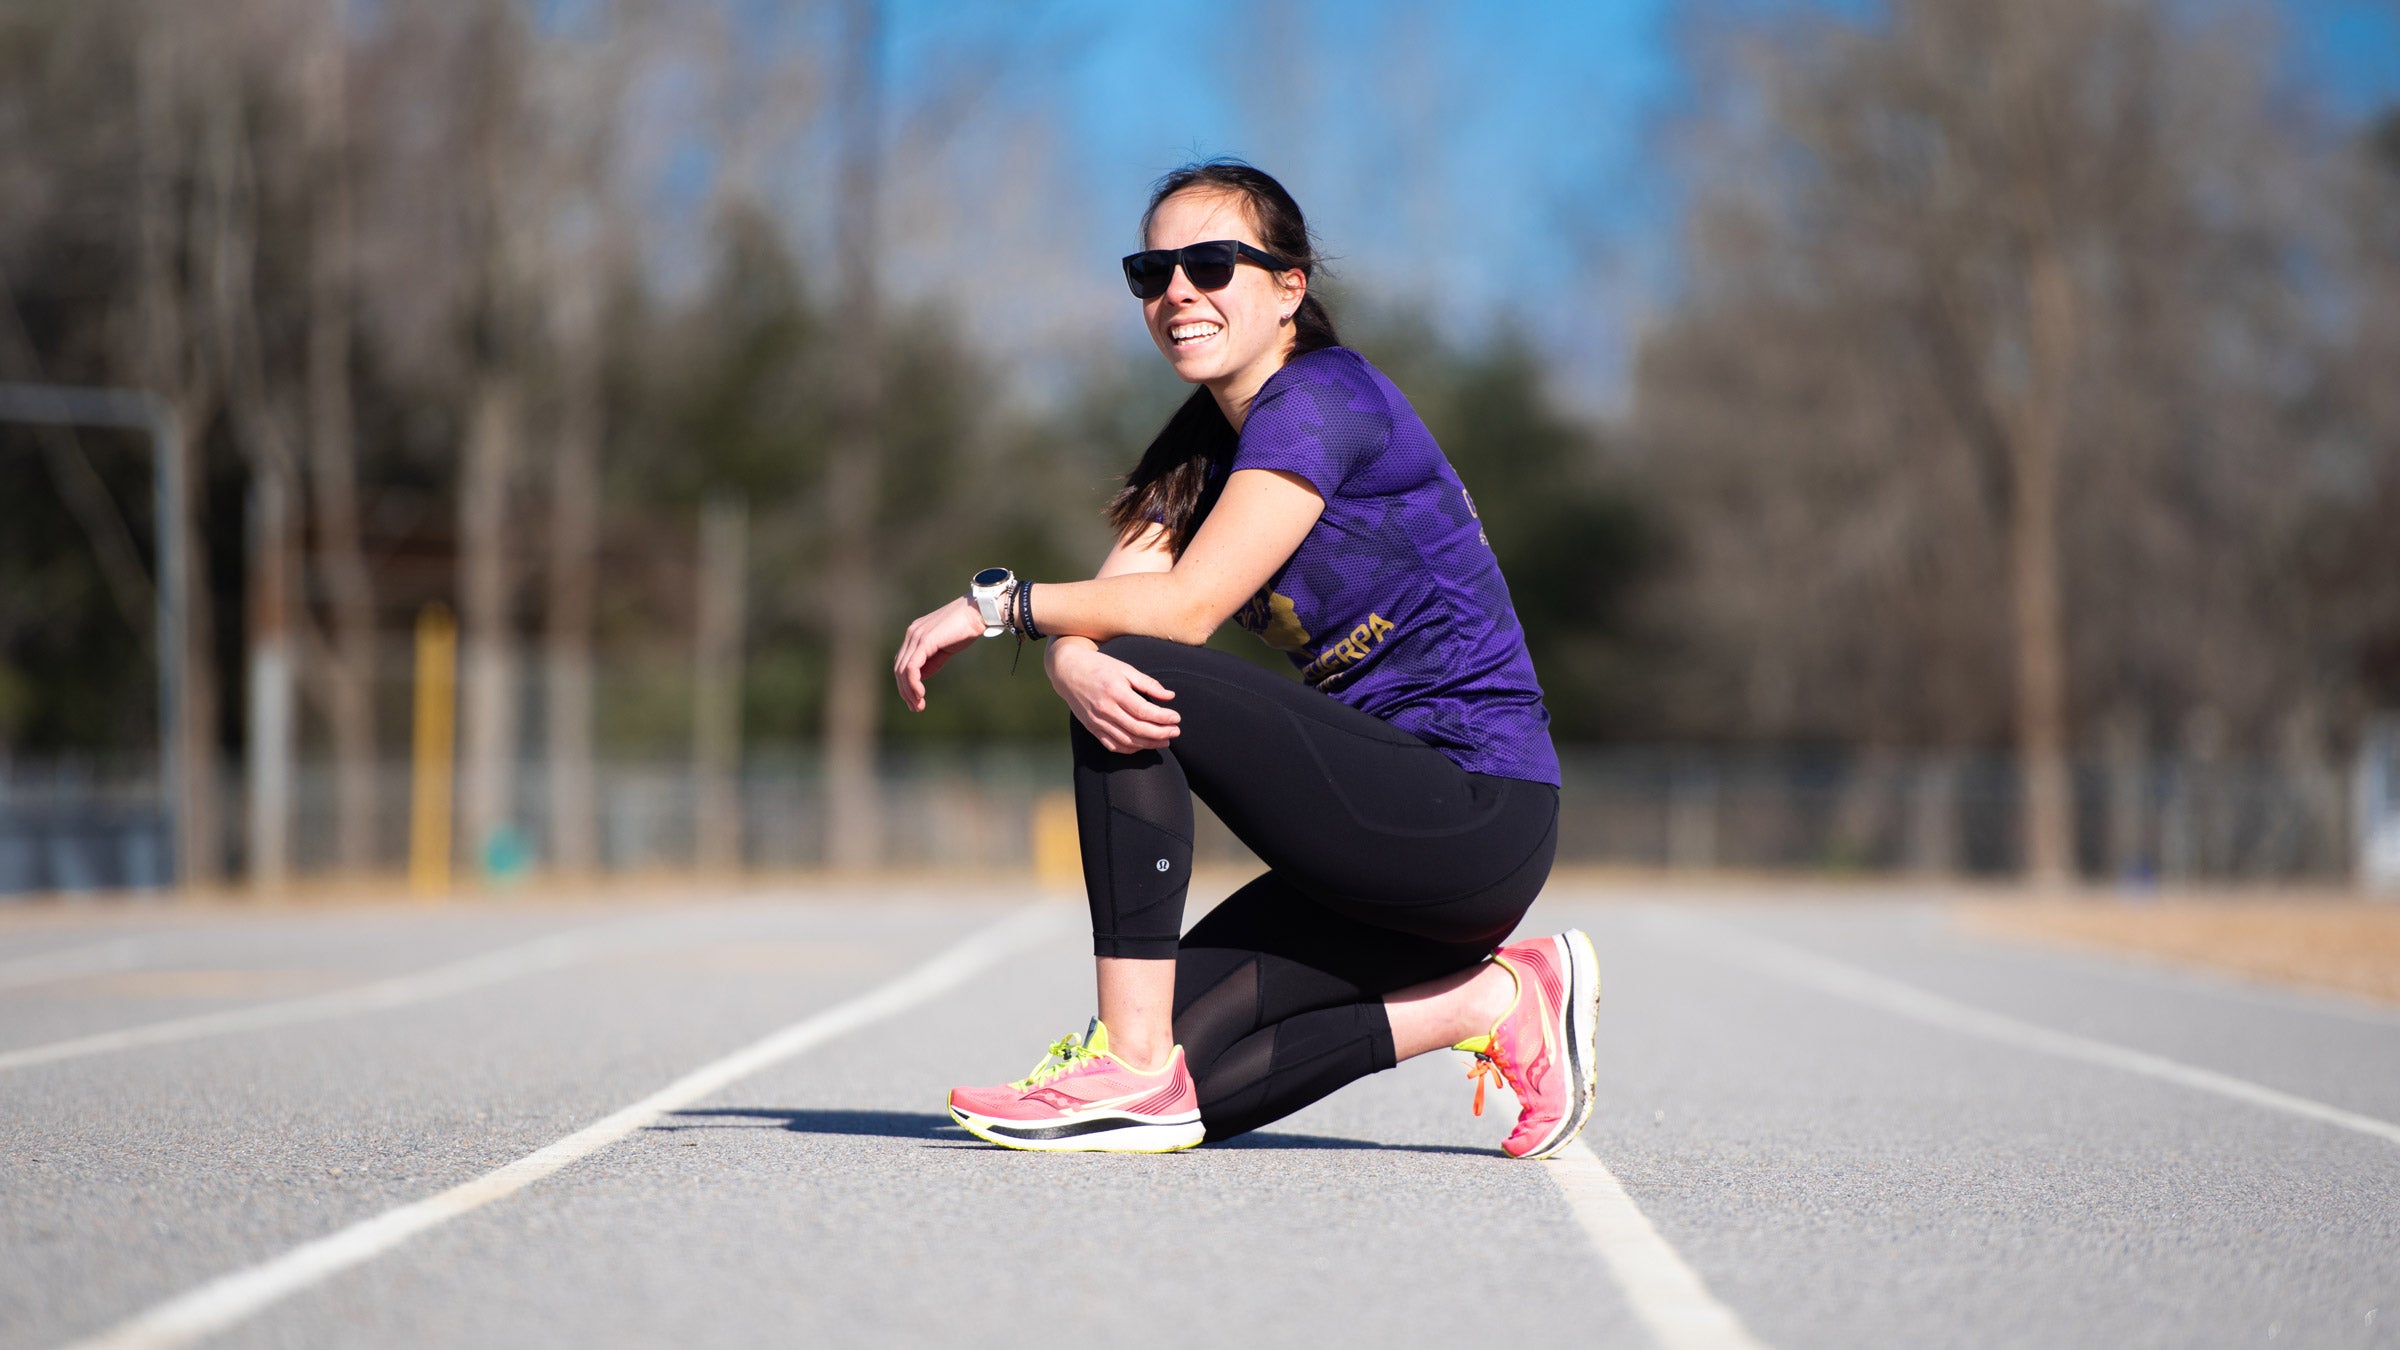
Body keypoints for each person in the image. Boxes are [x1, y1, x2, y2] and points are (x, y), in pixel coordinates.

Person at [891, 160, 1597, 1157]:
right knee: (1196, 1080)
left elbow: (1176, 613)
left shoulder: (1324, 401)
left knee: (1131, 666)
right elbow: (1106, 619)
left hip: (1470, 807)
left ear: (1288, 289)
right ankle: (1495, 1001)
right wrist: (1066, 656)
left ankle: (1125, 1063)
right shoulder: (1194, 455)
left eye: (1212, 264)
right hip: (1371, 845)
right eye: (1153, 270)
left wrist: (1003, 607)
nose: (1178, 290)